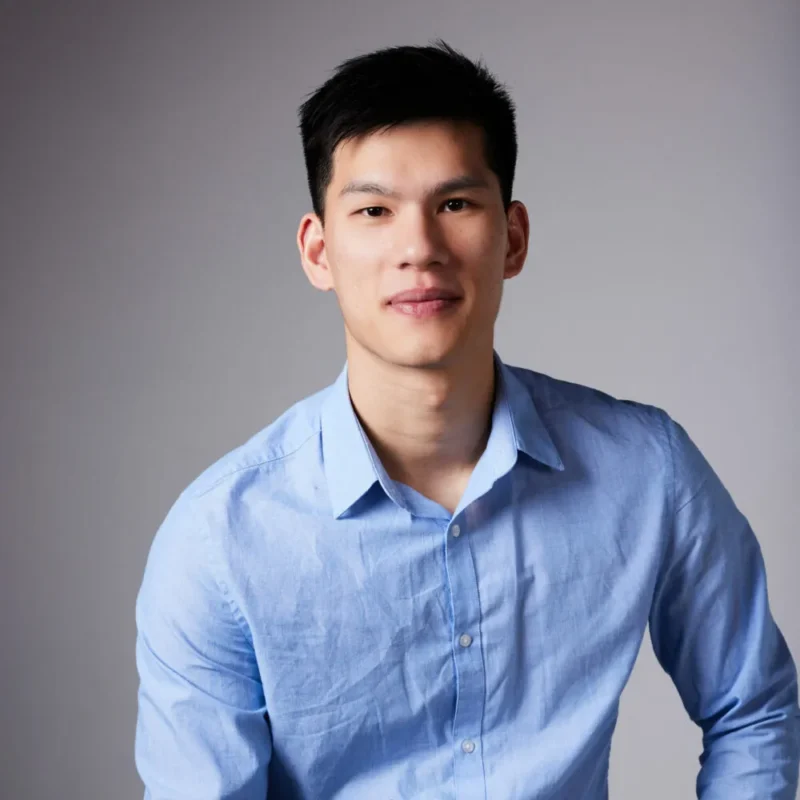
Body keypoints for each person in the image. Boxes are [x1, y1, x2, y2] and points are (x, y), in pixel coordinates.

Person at [134, 39, 800, 799]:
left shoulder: (648, 469)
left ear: (512, 237)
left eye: (454, 205)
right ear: (319, 252)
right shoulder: (218, 540)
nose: (418, 249)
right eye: (374, 211)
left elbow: (754, 709)